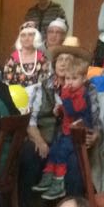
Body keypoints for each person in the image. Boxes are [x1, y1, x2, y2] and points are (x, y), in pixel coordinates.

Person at [32, 45, 93, 199]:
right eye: (60, 60)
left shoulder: (82, 91)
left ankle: (63, 189)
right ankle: (48, 178)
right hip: (52, 134)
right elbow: (33, 118)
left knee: (69, 157)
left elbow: (78, 112)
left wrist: (64, 98)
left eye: (68, 60)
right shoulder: (44, 86)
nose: (63, 63)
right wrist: (59, 110)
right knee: (46, 152)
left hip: (73, 134)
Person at [3, 22, 47, 88]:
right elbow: (7, 83)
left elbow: (46, 82)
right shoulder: (12, 59)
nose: (26, 38)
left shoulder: (42, 58)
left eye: (30, 35)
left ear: (36, 37)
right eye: (23, 35)